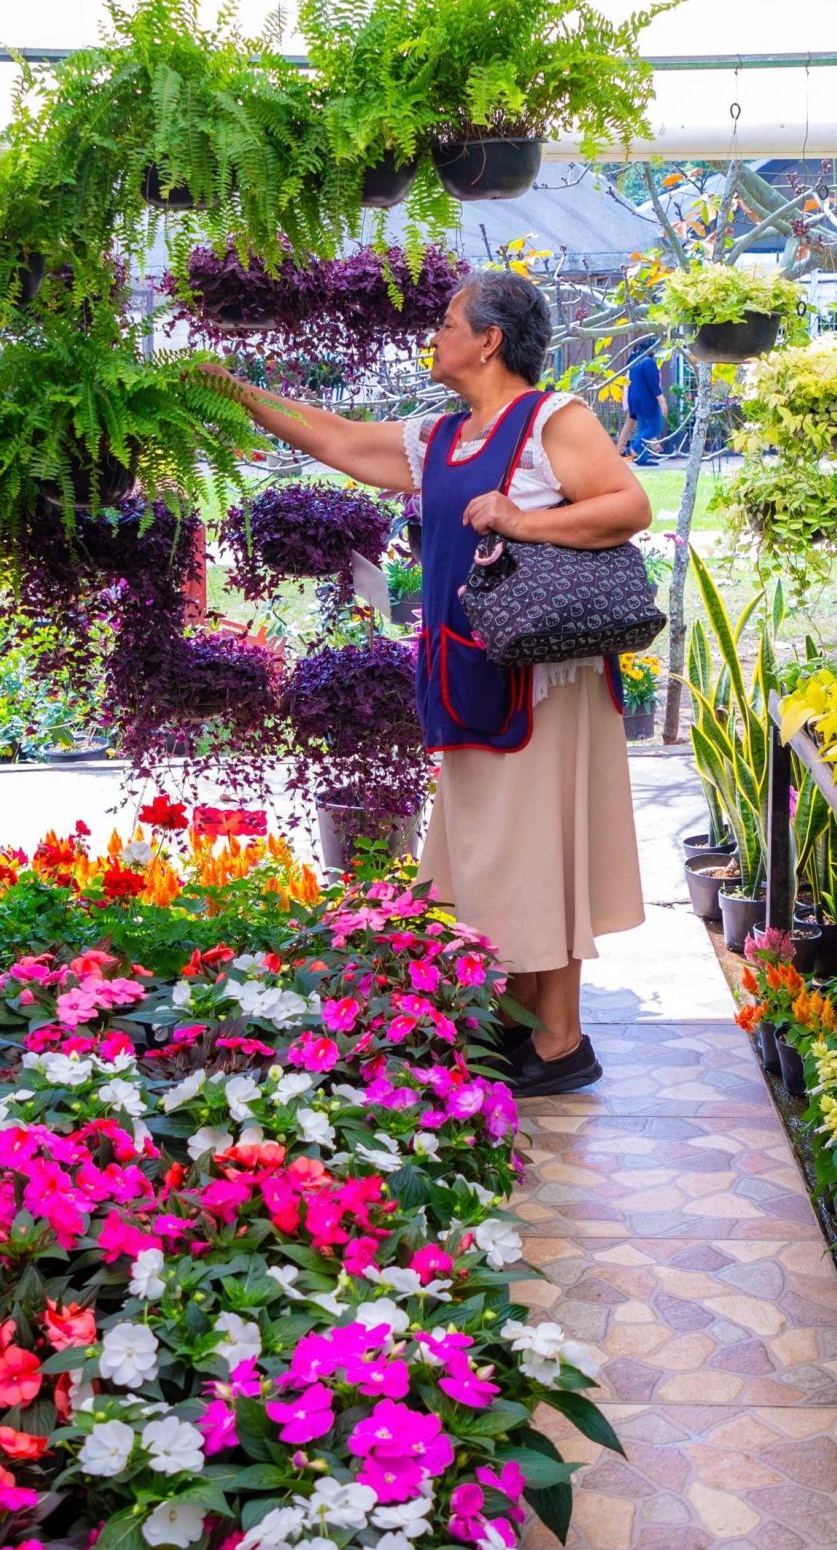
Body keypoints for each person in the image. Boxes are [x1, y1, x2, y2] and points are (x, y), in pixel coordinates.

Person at [207, 271, 651, 1096]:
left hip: (545, 682)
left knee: (531, 852)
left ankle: (556, 1042)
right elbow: (335, 439)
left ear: (488, 340)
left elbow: (627, 506)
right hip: (472, 667)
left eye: (449, 322)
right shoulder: (441, 438)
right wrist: (230, 390)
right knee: (511, 857)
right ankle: (543, 1035)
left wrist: (518, 519)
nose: (435, 333)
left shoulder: (556, 418)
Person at [615, 337, 670, 463]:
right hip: (647, 401)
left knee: (643, 427)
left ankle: (641, 459)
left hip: (634, 399)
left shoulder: (634, 361)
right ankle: (634, 449)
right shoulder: (649, 362)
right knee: (655, 427)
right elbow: (654, 385)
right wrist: (662, 401)